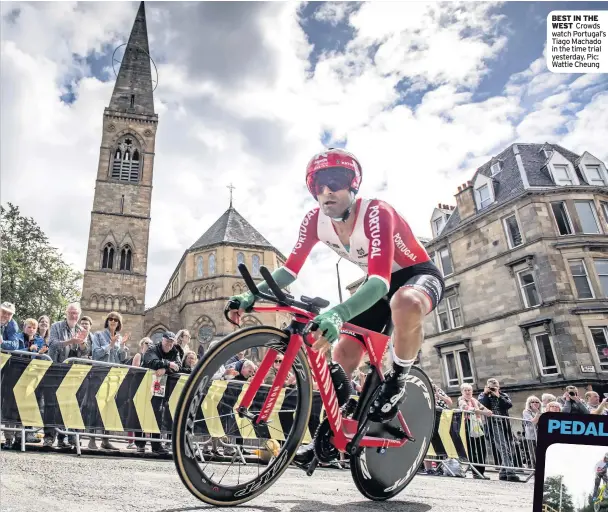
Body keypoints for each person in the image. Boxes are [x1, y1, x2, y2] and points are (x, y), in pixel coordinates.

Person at [226, 148, 445, 463]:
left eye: (336, 181)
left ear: (353, 185)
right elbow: (289, 270)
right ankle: (327, 436)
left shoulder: (376, 213)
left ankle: (397, 379)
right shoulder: (314, 221)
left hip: (415, 277)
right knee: (342, 355)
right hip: (377, 286)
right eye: (318, 185)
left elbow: (382, 280)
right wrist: (252, 295)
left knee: (405, 300)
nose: (327, 190)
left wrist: (338, 314)